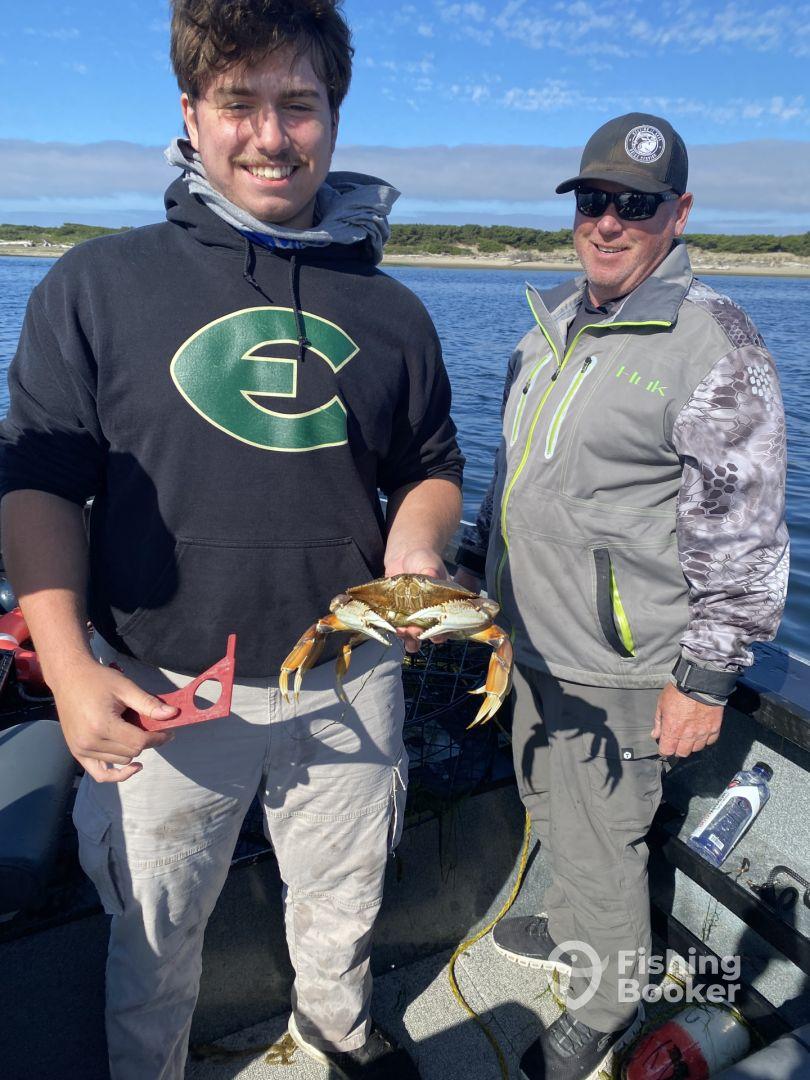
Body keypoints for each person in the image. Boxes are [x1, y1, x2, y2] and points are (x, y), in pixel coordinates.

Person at [0, 2, 463, 1077]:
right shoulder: (96, 284)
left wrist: (419, 549)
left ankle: (335, 1052)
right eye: (239, 103)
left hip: (352, 680)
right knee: (152, 942)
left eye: (297, 105)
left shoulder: (393, 311)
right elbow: (39, 485)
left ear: (334, 120)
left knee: (342, 919)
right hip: (163, 690)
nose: (269, 134)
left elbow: (430, 467)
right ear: (191, 114)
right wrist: (68, 671)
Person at [455, 112, 788, 1080]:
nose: (608, 221)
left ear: (678, 214)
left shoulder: (713, 341)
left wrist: (708, 677)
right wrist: (476, 561)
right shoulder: (552, 321)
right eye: (594, 200)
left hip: (624, 667)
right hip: (529, 645)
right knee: (549, 806)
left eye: (635, 206)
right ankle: (573, 930)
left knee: (605, 840)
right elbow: (514, 473)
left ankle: (605, 1003)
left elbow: (747, 529)